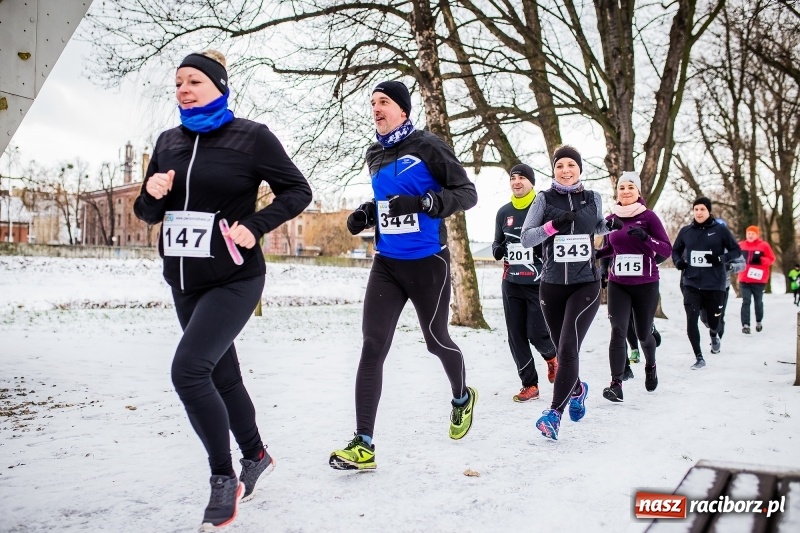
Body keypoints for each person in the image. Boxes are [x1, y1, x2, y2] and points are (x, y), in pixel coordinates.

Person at [133, 50, 312, 531]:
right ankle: (254, 454)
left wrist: (256, 225)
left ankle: (222, 476)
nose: (183, 90)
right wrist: (150, 195)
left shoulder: (250, 137)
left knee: (190, 370)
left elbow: (298, 191)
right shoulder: (168, 141)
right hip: (184, 281)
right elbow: (148, 216)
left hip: (235, 277)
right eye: (177, 84)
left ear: (218, 84)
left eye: (193, 81)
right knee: (222, 374)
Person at [330, 81, 478, 470]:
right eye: (373, 103)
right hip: (387, 264)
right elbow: (386, 201)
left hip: (429, 261)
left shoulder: (429, 146)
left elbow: (467, 193)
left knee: (436, 340)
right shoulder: (374, 153)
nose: (376, 108)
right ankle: (364, 443)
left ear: (403, 111)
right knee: (372, 346)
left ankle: (462, 396)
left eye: (384, 102)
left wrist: (428, 202)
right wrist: (366, 213)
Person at [520, 145, 621, 440]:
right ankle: (577, 388)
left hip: (585, 284)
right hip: (551, 286)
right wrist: (553, 226)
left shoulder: (593, 198)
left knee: (567, 348)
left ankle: (554, 414)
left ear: (579, 169)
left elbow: (597, 226)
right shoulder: (543, 199)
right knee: (562, 347)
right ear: (554, 170)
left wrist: (612, 225)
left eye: (571, 165)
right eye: (560, 166)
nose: (565, 170)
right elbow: (527, 238)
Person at [596, 172, 672, 402]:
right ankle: (616, 384)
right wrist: (595, 256)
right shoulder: (610, 219)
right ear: (617, 192)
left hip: (646, 284)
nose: (626, 191)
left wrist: (646, 239)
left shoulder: (649, 218)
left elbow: (666, 250)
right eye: (622, 188)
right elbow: (609, 249)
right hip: (619, 283)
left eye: (631, 187)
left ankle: (651, 364)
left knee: (642, 332)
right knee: (617, 331)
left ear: (638, 192)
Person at [492, 163, 557, 402]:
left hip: (539, 281)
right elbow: (497, 242)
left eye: (522, 178)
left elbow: (553, 238)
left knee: (537, 332)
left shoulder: (542, 208)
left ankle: (552, 358)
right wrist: (497, 249)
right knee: (515, 335)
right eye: (513, 178)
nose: (517, 182)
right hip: (511, 281)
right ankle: (529, 384)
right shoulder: (503, 212)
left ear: (532, 182)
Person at [671, 198, 741, 369]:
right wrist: (678, 262)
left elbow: (736, 250)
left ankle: (714, 334)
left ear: (709, 211)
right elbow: (675, 250)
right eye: (696, 209)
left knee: (713, 321)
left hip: (715, 284)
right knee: (692, 319)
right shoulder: (686, 231)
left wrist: (720, 258)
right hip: (691, 283)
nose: (699, 212)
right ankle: (699, 357)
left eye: (702, 209)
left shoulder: (720, 230)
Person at [699, 220, 745, 338]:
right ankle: (710, 326)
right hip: (702, 285)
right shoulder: (700, 242)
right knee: (704, 317)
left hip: (722, 285)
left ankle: (716, 337)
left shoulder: (729, 245)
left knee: (719, 315)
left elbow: (742, 264)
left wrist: (730, 266)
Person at [738, 226, 776, 333]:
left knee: (758, 302)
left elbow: (772, 258)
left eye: (752, 234)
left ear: (757, 235)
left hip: (759, 279)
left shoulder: (764, 245)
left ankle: (759, 321)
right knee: (746, 301)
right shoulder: (741, 245)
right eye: (748, 233)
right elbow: (735, 257)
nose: (750, 235)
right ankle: (745, 325)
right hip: (744, 278)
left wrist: (761, 260)